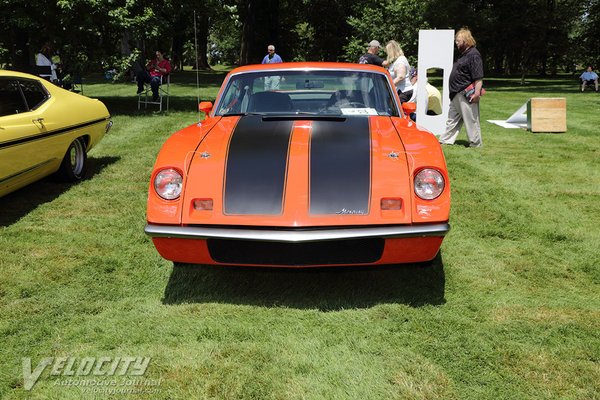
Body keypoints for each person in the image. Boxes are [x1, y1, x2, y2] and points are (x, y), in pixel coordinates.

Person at [438, 28, 484, 148]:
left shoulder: (474, 55)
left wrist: (477, 94)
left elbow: (478, 77)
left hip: (465, 93)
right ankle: (445, 140)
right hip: (455, 93)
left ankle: (475, 143)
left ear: (466, 40)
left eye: (458, 41)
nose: (456, 43)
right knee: (452, 118)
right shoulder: (464, 55)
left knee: (471, 119)